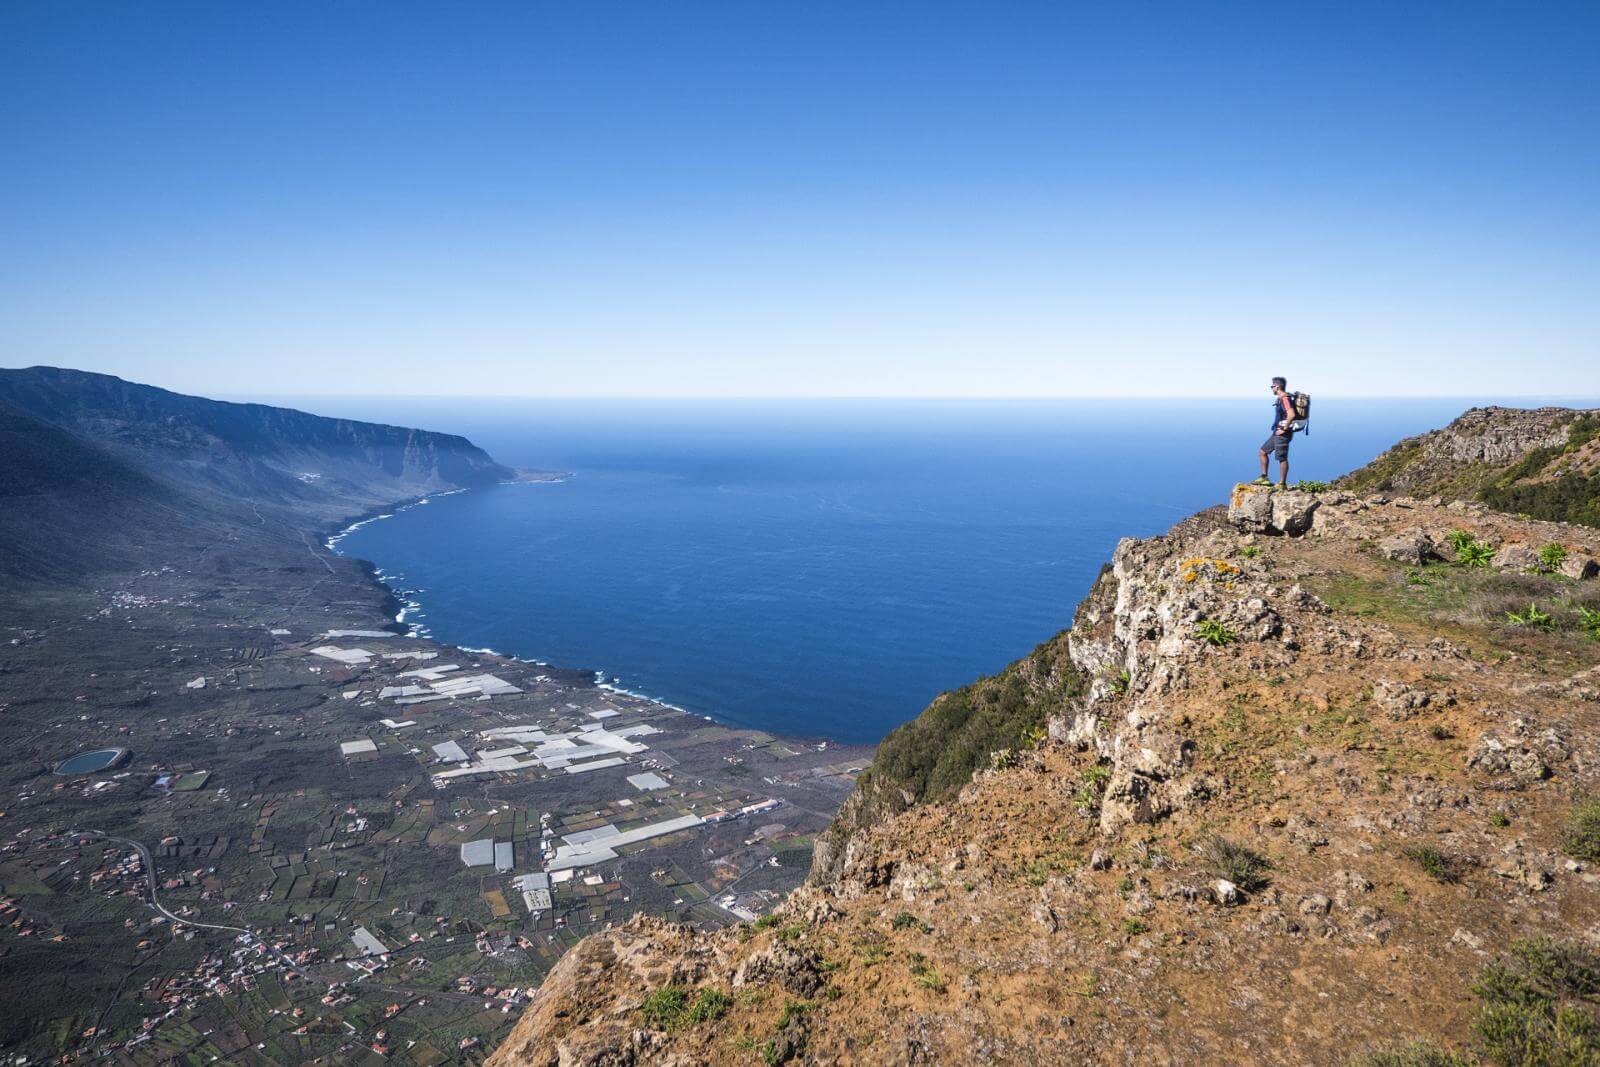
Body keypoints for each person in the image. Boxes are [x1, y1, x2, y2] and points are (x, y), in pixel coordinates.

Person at [1253, 377, 1298, 487]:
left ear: (1277, 386)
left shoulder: (1285, 399)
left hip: (1283, 433)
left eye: (1272, 386)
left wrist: (1283, 429)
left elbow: (1291, 414)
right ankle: (1264, 477)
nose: (1271, 388)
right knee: (1262, 452)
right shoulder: (1281, 398)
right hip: (1277, 432)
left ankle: (1282, 484)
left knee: (1282, 458)